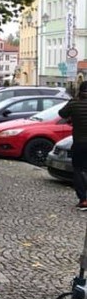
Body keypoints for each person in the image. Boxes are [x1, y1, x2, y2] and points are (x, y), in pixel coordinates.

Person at [59, 81, 87, 210]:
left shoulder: (74, 103)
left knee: (78, 170)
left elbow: (62, 113)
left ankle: (83, 200)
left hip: (80, 143)